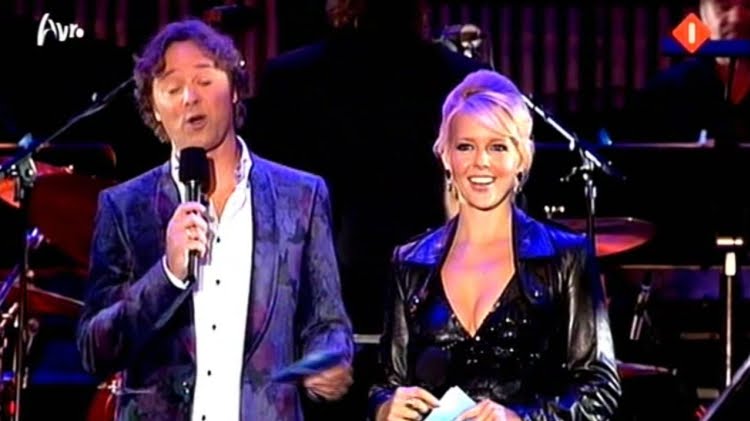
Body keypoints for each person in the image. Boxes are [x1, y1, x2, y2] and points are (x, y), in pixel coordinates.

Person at [76, 19, 354, 421]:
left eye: (204, 81)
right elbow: (93, 350)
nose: (190, 97)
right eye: (173, 88)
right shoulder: (124, 207)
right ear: (154, 108)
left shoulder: (301, 197)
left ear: (235, 88)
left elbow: (328, 323)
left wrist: (329, 359)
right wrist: (167, 275)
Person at [369, 70, 622, 421]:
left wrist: (520, 419)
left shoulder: (566, 256)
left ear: (521, 158)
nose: (481, 162)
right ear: (446, 156)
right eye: (466, 146)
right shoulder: (410, 262)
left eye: (497, 147)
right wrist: (384, 407)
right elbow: (387, 381)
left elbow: (600, 388)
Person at [249, 0, 488, 337]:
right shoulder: (462, 79)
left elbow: (266, 207)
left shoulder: (288, 78)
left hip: (317, 315)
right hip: (435, 310)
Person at [607, 0, 750, 143]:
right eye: (723, 7)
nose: (736, 18)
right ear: (704, 15)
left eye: (749, 6)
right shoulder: (665, 92)